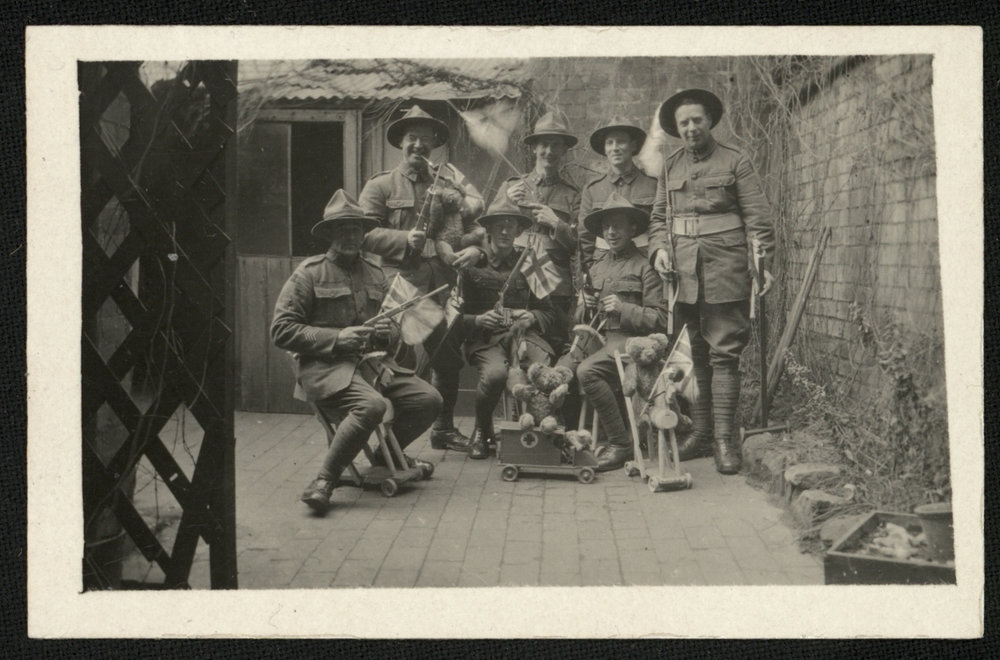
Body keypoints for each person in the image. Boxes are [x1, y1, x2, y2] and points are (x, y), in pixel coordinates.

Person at [271, 190, 443, 513]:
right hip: (326, 371)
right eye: (342, 229)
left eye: (356, 229)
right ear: (330, 233)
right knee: (373, 406)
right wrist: (337, 338)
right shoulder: (309, 274)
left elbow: (391, 334)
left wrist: (387, 334)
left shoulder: (376, 274)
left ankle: (380, 458)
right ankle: (324, 480)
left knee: (429, 400)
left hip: (372, 368)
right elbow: (281, 330)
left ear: (364, 234)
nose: (351, 236)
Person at [647, 88, 776, 475]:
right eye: (683, 123)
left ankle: (724, 439)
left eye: (696, 120)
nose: (690, 128)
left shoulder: (735, 160)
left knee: (724, 353)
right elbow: (657, 220)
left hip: (725, 266)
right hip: (683, 272)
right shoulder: (669, 167)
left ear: (709, 122)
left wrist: (762, 263)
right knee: (697, 352)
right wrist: (659, 251)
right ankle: (702, 432)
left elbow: (758, 218)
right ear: (677, 128)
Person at [359, 104, 485, 454]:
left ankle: (442, 430)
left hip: (438, 289)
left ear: (434, 146)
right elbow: (362, 233)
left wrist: (476, 251)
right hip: (398, 287)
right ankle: (387, 436)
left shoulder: (447, 187)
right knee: (395, 361)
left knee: (447, 359)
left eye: (425, 140)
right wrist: (402, 240)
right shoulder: (381, 185)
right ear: (401, 141)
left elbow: (472, 229)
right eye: (412, 138)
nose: (418, 146)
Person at [570, 192, 667, 472]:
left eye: (618, 226)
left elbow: (659, 319)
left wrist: (624, 308)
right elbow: (580, 320)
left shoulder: (646, 267)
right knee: (564, 365)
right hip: (599, 342)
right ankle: (569, 444)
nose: (611, 232)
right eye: (607, 227)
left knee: (588, 372)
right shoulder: (597, 267)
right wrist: (584, 306)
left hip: (630, 345)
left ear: (633, 229)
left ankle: (620, 444)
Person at [459, 196, 558, 459]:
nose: (505, 231)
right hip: (486, 340)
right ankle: (482, 431)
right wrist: (477, 320)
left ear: (519, 231)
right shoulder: (472, 264)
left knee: (544, 371)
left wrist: (532, 316)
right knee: (494, 376)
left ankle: (538, 434)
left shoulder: (529, 262)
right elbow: (453, 317)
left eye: (511, 225)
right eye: (499, 225)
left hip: (522, 338)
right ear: (488, 229)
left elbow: (549, 311)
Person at [494, 111, 580, 355]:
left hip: (555, 285)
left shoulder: (572, 194)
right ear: (534, 149)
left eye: (556, 145)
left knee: (554, 345)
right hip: (517, 278)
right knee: (514, 347)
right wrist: (508, 203)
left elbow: (579, 244)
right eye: (544, 145)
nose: (549, 152)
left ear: (564, 150)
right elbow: (489, 229)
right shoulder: (512, 186)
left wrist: (557, 224)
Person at [578, 115, 658, 273]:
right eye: (610, 143)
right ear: (605, 149)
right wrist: (586, 275)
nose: (615, 147)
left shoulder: (652, 185)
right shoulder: (593, 189)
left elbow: (659, 228)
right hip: (602, 265)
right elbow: (585, 238)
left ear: (633, 146)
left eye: (621, 141)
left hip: (643, 264)